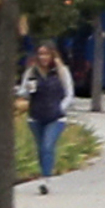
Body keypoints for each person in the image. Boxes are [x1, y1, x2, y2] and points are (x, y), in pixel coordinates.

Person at [25, 37, 73, 187]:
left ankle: (46, 179)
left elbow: (69, 93)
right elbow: (23, 92)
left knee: (47, 145)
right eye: (40, 54)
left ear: (53, 55)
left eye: (46, 54)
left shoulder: (61, 71)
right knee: (41, 149)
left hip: (55, 117)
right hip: (36, 116)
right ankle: (43, 174)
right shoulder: (31, 72)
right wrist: (26, 90)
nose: (43, 57)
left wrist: (61, 108)